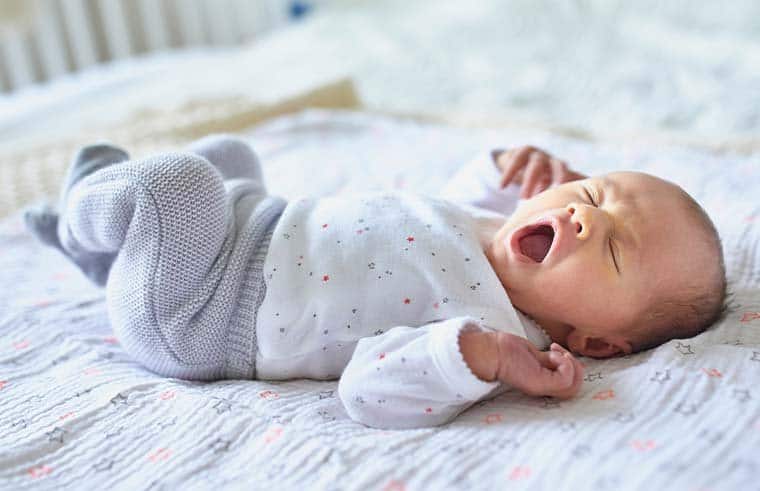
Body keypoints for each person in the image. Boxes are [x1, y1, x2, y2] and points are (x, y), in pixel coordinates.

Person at [24, 135, 727, 429]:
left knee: (175, 187)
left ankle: (85, 212)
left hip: (200, 311)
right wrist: (502, 167)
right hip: (249, 227)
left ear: (596, 341)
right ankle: (108, 258)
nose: (581, 218)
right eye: (595, 194)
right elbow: (431, 211)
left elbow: (368, 391)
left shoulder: (489, 326)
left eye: (613, 250)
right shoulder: (489, 228)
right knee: (230, 156)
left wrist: (480, 357)